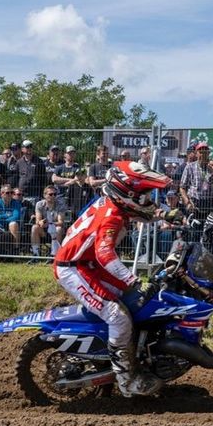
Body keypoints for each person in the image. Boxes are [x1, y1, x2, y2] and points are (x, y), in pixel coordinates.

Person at [54, 161, 171, 397]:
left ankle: (136, 354)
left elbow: (141, 213)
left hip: (89, 263)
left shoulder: (113, 203)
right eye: (144, 194)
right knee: (118, 317)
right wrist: (132, 280)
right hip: (73, 268)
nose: (147, 199)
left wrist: (166, 214)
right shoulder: (112, 216)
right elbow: (105, 255)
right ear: (128, 194)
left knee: (135, 302)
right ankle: (127, 381)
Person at [31, 185, 66, 258]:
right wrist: (41, 222)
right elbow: (38, 220)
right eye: (50, 194)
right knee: (35, 227)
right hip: (44, 230)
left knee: (59, 229)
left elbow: (60, 222)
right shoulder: (39, 204)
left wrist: (50, 223)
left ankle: (55, 255)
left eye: (55, 194)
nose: (53, 196)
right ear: (44, 195)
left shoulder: (60, 204)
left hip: (55, 229)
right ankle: (35, 254)